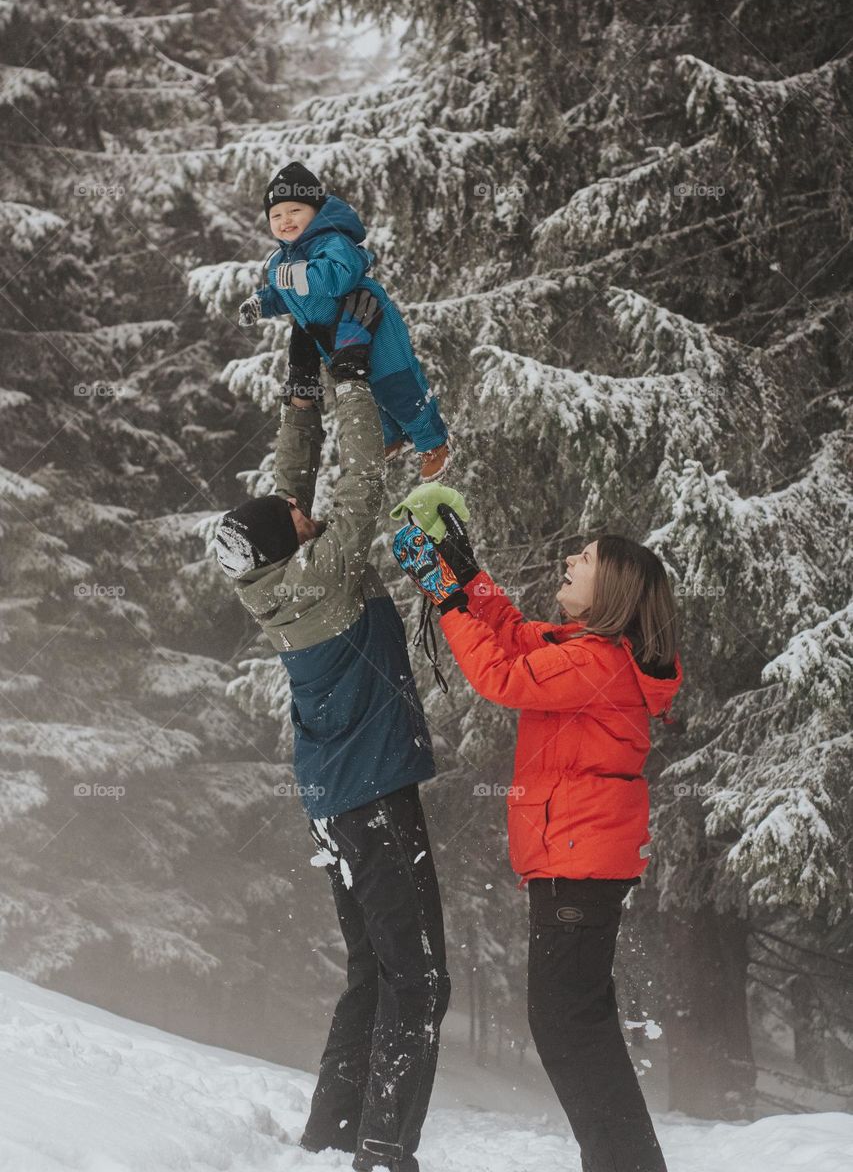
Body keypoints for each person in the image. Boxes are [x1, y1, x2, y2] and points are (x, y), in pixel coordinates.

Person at [214, 334, 450, 1172]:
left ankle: (331, 1134)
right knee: (418, 981)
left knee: (372, 968)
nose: (305, 514)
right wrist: (351, 380)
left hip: (338, 801)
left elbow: (293, 493)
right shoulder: (322, 572)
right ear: (293, 543)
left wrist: (300, 396)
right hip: (373, 802)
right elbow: (358, 486)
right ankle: (384, 1150)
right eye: (300, 524)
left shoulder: (280, 574)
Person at [392, 500, 683, 1172]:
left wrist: (442, 597)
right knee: (576, 1024)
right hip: (576, 863)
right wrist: (466, 578)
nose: (568, 562)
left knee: (565, 1026)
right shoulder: (588, 653)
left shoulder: (598, 663)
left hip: (578, 866)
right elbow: (517, 637)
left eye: (582, 561)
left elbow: (500, 676)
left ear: (609, 588)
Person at [238, 160, 451, 481]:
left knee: (396, 384)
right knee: (365, 389)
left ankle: (433, 440)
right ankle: (393, 436)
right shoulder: (281, 261)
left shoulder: (331, 240)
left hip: (370, 321)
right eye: (276, 215)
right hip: (335, 337)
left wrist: (299, 274)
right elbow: (288, 295)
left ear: (315, 210)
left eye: (294, 211)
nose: (285, 221)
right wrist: (262, 303)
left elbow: (340, 275)